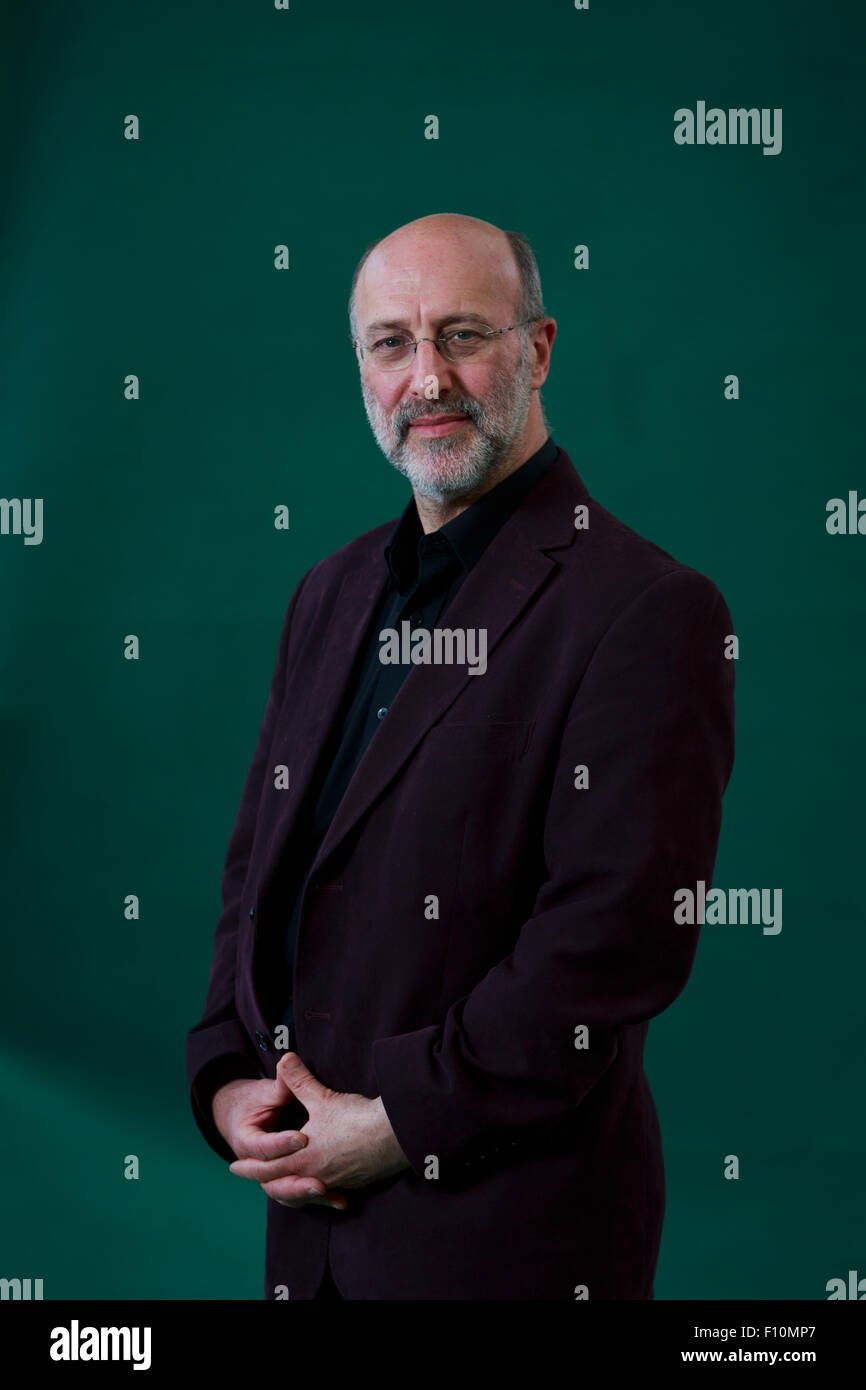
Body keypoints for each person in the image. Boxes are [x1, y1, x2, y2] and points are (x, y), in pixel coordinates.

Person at [186, 212, 735, 1301]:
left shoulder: (646, 609)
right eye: (391, 342)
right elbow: (258, 869)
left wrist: (397, 1123)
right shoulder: (328, 595)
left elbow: (612, 945)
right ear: (361, 370)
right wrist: (222, 1072)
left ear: (535, 350)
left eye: (463, 335)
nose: (425, 376)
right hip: (312, 1236)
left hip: (511, 1242)